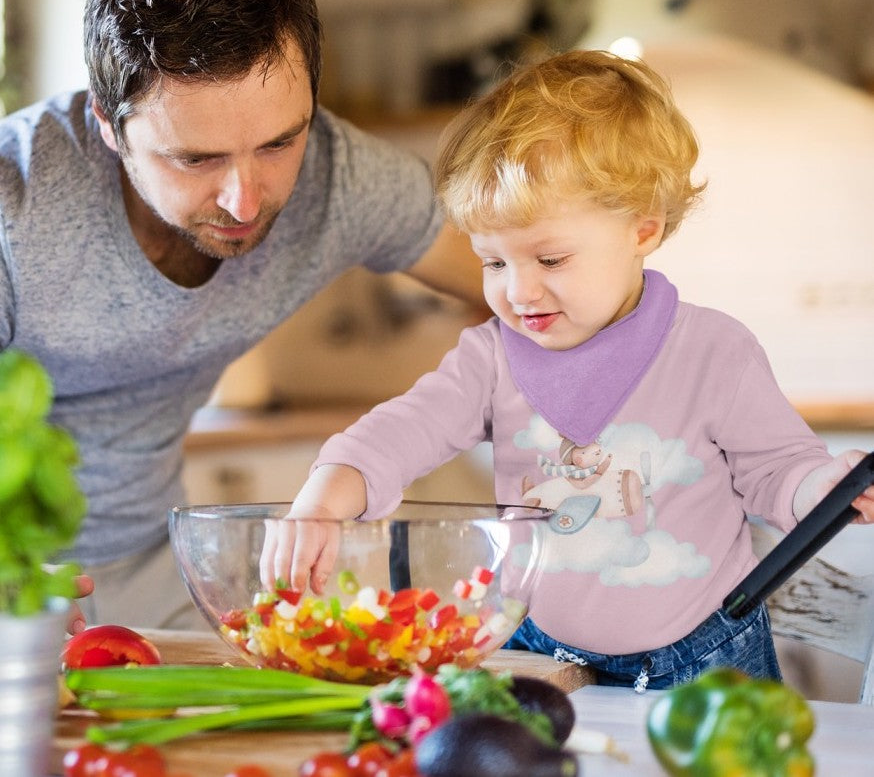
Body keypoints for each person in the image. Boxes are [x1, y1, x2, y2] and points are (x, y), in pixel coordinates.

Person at [261, 49, 874, 690]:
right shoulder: (492, 357)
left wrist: (822, 491)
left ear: (642, 230)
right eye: (494, 262)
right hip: (540, 650)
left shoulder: (714, 353)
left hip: (698, 657)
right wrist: (325, 495)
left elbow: (779, 472)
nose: (519, 292)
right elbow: (405, 428)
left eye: (550, 260)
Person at [0, 0, 485, 633]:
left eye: (279, 142)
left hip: (156, 573)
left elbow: (529, 290)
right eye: (194, 158)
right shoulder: (19, 203)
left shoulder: (342, 177)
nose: (245, 199)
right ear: (109, 123)